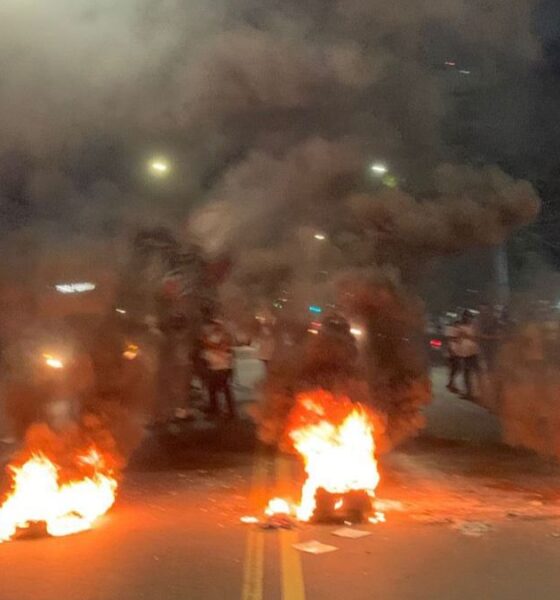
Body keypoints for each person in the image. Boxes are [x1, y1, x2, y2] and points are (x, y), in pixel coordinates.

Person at [201, 319, 236, 418]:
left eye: (216, 325)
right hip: (213, 366)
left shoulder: (225, 337)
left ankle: (230, 411)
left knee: (225, 389)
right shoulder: (212, 336)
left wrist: (209, 344)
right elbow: (206, 345)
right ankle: (214, 408)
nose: (214, 327)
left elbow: (222, 346)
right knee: (212, 388)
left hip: (223, 367)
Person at [455, 310, 481, 401]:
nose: (467, 318)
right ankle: (469, 392)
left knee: (477, 373)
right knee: (466, 373)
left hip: (473, 351)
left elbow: (477, 338)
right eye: (465, 316)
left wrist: (467, 335)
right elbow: (457, 339)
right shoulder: (460, 326)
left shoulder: (474, 327)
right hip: (464, 352)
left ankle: (479, 392)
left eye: (468, 316)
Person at [444, 318, 461, 393]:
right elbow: (448, 341)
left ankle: (451, 382)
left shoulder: (457, 331)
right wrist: (451, 351)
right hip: (452, 352)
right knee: (454, 368)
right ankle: (451, 383)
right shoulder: (451, 330)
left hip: (456, 351)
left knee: (455, 368)